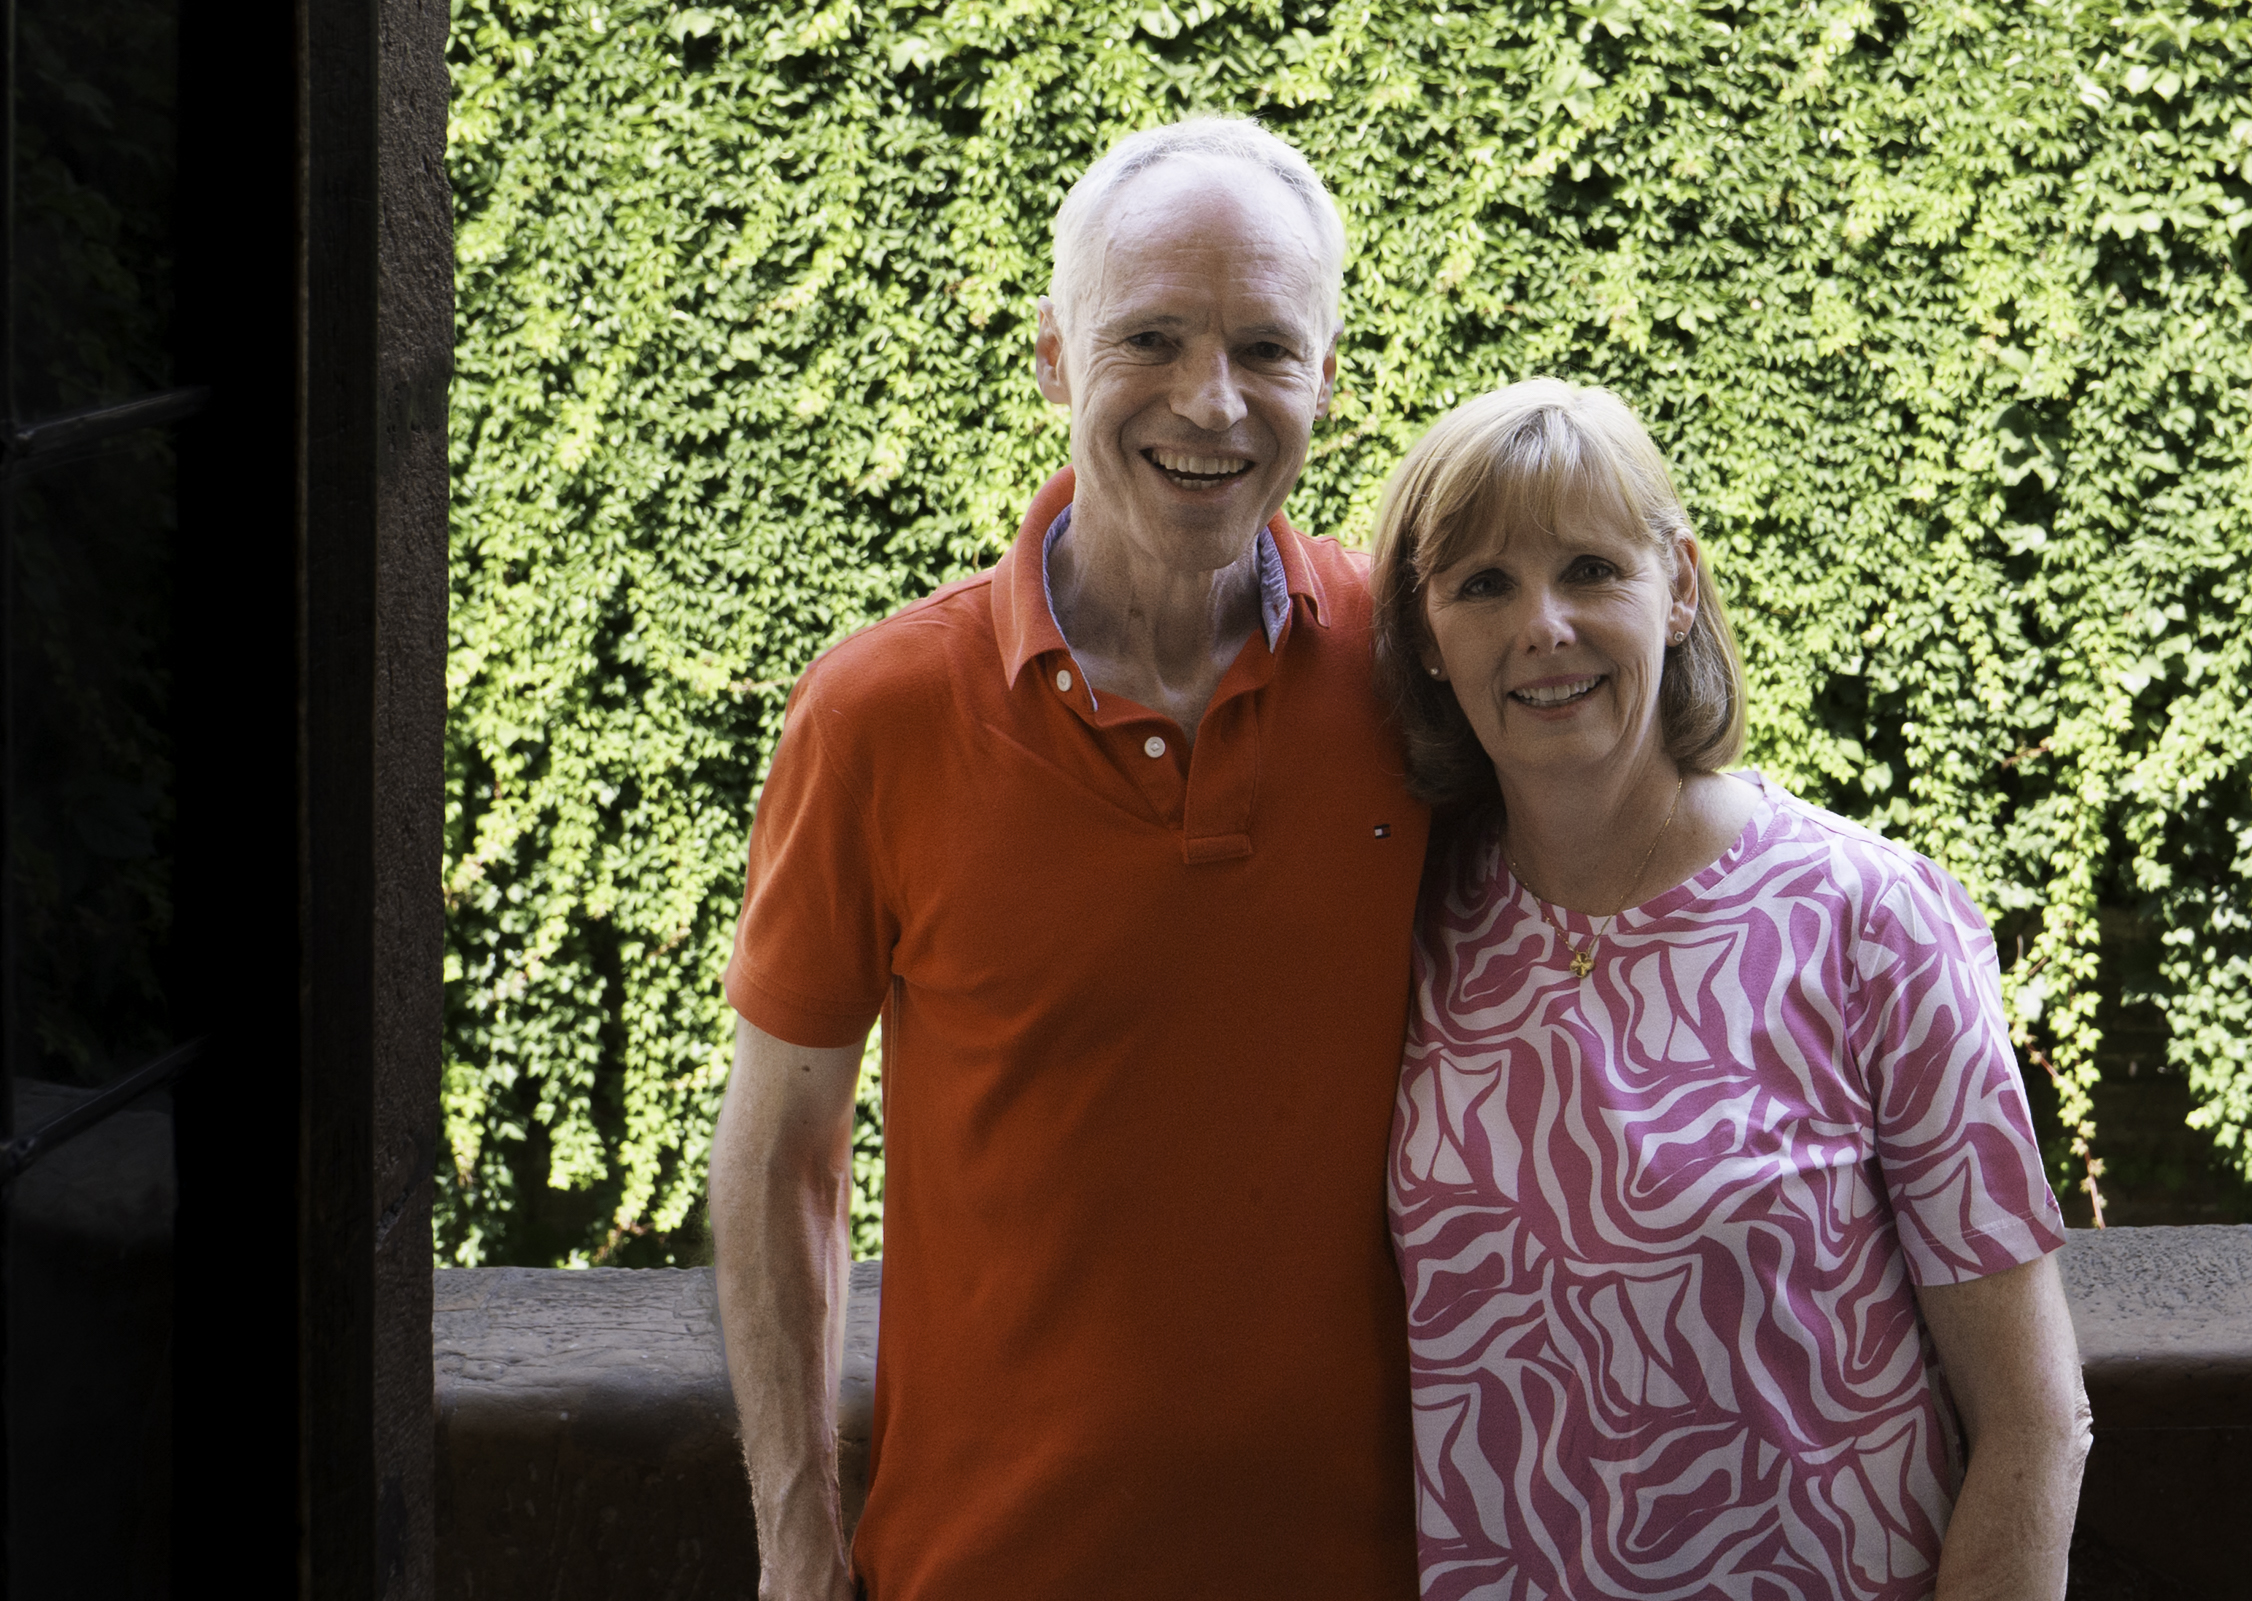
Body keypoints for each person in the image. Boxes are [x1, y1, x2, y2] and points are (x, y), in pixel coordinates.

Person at [710, 117, 1429, 1601]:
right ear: (1053, 358)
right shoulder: (882, 711)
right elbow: (783, 1149)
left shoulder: (1415, 680)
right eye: (1151, 337)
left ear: (1329, 382)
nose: (1211, 401)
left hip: (1370, 1569)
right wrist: (794, 1543)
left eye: (1266, 349)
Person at [1371, 379, 2091, 1600]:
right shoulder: (1400, 928)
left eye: (1591, 567)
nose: (1543, 624)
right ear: (1429, 638)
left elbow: (2034, 1418)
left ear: (1680, 586)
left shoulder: (1869, 920)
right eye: (1483, 583)